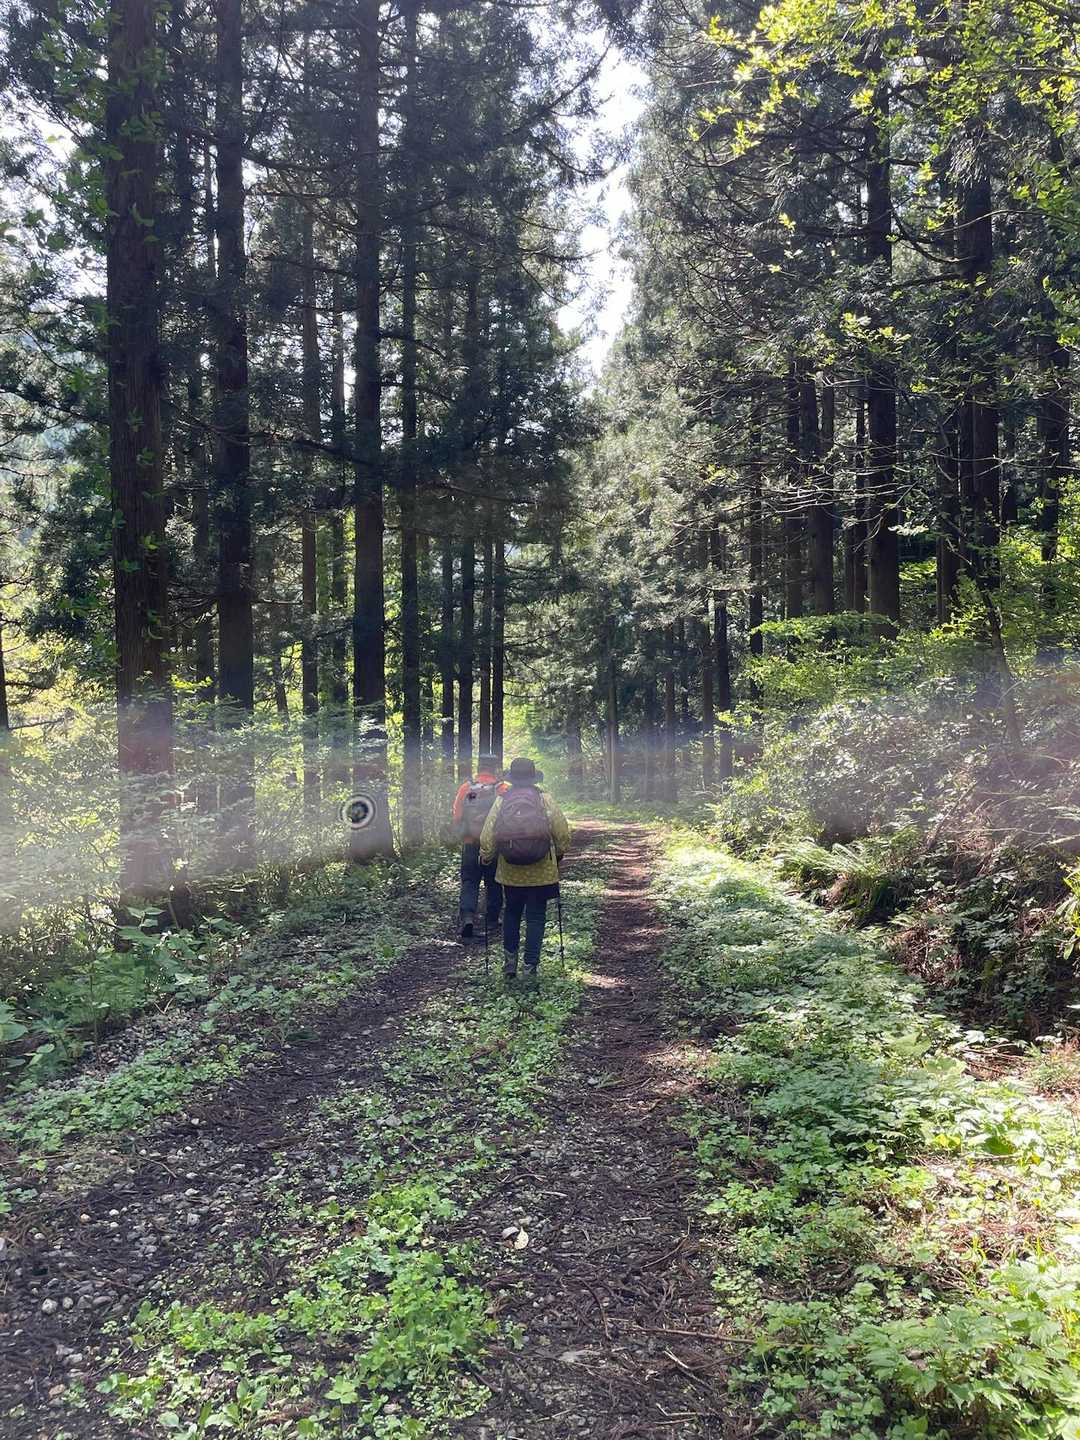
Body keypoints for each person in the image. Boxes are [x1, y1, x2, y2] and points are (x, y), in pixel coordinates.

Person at [479, 756, 571, 982]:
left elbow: (488, 833)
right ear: (533, 777)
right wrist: (559, 852)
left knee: (511, 913)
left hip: (510, 870)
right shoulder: (544, 799)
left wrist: (486, 856)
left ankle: (510, 964)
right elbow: (562, 831)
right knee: (536, 917)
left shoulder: (502, 799)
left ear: (512, 778)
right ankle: (530, 968)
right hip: (541, 870)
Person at [452, 754, 507, 940]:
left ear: (479, 767)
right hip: (494, 844)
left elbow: (457, 817)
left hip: (470, 843)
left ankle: (468, 917)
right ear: (495, 768)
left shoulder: (467, 788)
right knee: (494, 881)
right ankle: (492, 919)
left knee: (470, 881)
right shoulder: (502, 789)